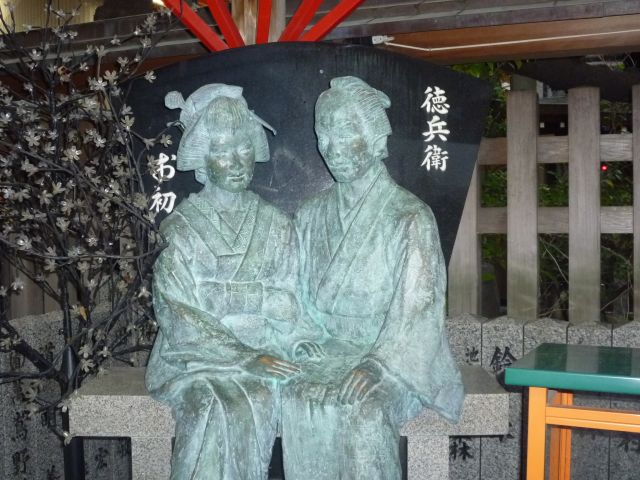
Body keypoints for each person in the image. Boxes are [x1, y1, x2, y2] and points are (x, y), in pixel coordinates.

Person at [281, 76, 464, 479]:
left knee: (364, 410)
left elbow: (418, 308)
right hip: (325, 349)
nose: (331, 146)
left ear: (375, 136)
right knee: (294, 395)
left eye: (346, 130)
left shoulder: (409, 216)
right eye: (323, 133)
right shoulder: (310, 216)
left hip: (392, 358)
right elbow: (290, 291)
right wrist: (300, 339)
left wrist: (378, 364)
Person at [145, 84, 319, 480]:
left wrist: (296, 336)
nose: (237, 162)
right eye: (222, 151)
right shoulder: (180, 229)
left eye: (244, 148)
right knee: (215, 405)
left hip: (268, 346)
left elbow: (291, 298)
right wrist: (241, 354)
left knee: (278, 393)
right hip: (195, 359)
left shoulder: (277, 224)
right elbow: (177, 311)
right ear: (203, 160)